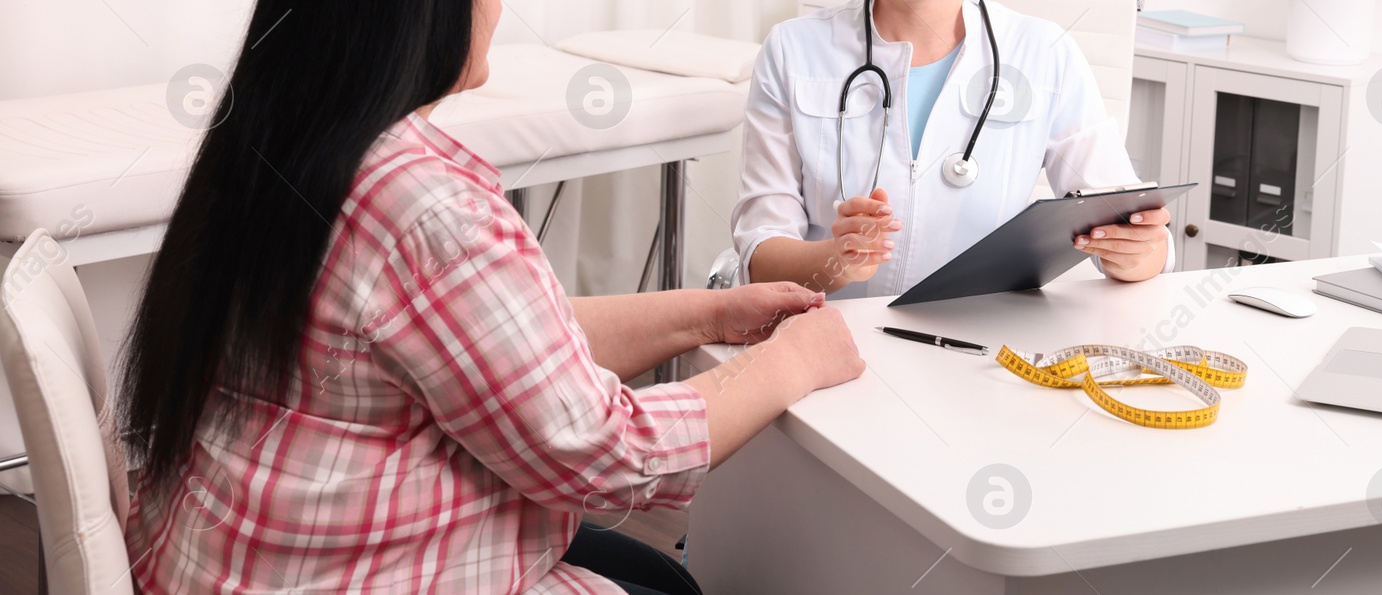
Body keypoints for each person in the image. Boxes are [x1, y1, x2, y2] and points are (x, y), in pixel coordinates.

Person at [114, 0, 863, 593]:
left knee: (659, 573)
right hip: (339, 571)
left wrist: (706, 312)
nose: (499, 9)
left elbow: (505, 346)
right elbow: (608, 451)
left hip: (217, 553)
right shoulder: (425, 209)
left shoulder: (284, 136)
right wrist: (791, 362)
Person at [732, 0, 1174, 298]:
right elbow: (760, 255)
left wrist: (1140, 253)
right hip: (827, 340)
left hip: (976, 352)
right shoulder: (793, 50)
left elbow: (1129, 223)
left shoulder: (1045, 53)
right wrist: (835, 260)